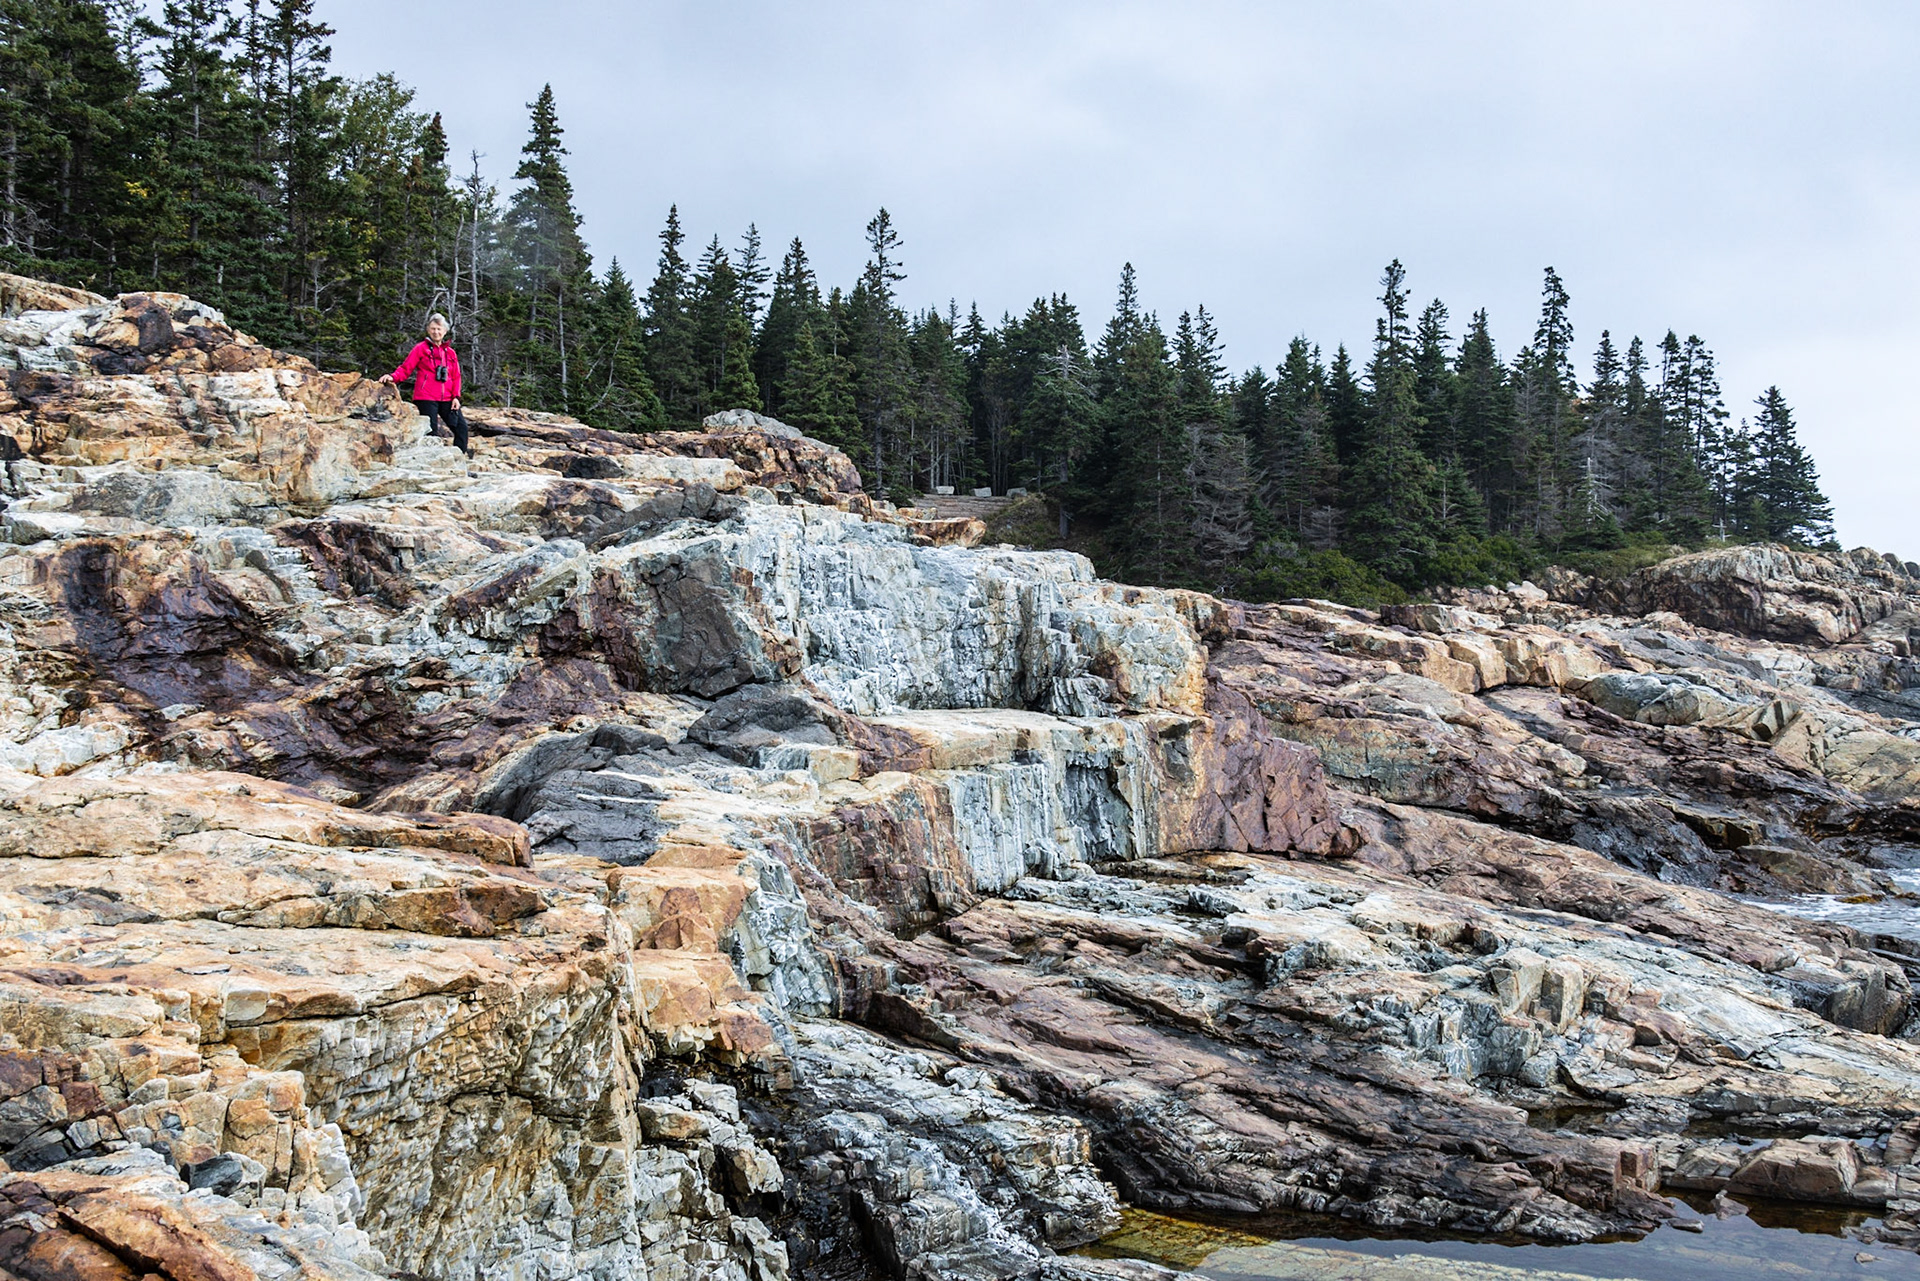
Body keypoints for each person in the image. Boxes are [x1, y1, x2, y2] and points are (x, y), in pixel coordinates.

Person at [380, 313, 470, 455]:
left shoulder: (450, 353)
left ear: (445, 331)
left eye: (439, 329)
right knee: (431, 432)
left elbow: (456, 376)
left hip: (448, 398)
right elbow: (406, 368)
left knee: (461, 428)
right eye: (433, 329)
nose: (436, 332)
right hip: (426, 397)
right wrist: (392, 377)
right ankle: (431, 460)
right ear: (428, 330)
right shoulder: (421, 348)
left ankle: (459, 458)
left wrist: (456, 397)